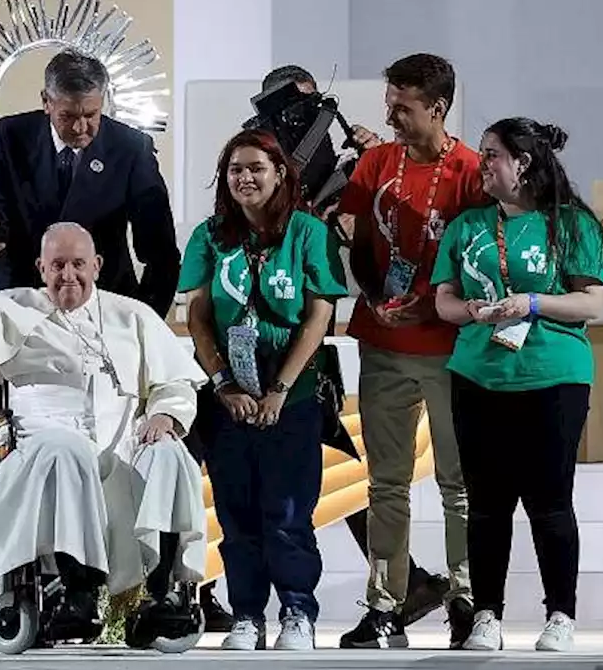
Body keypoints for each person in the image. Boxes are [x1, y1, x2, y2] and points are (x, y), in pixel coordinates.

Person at [234, 64, 450, 630]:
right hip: (255, 336)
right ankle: (409, 584)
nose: (311, 122)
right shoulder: (257, 161)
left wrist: (365, 173)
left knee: (328, 458)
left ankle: (411, 587)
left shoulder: (356, 166)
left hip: (308, 339)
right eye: (298, 110)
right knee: (271, 461)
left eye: (313, 108)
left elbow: (358, 243)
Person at [0, 221, 208, 645]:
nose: (69, 275)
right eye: (58, 265)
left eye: (79, 264)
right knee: (69, 450)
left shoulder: (131, 315)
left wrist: (165, 417)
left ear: (98, 265)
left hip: (121, 457)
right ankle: (76, 593)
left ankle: (160, 597)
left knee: (170, 453)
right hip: (43, 457)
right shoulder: (13, 307)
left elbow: (174, 384)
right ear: (41, 267)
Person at [432, 118, 603, 653]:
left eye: (491, 155)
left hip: (553, 376)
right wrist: (469, 310)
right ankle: (486, 614)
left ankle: (561, 615)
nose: (481, 164)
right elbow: (443, 299)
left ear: (523, 163)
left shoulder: (572, 224)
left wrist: (530, 303)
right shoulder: (468, 226)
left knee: (550, 501)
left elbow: (592, 301)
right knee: (486, 503)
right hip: (477, 375)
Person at [333, 53, 485, 649]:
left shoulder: (471, 170)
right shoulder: (375, 161)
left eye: (403, 105)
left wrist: (434, 302)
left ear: (438, 108)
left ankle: (468, 601)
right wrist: (342, 229)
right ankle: (385, 605)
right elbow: (349, 227)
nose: (391, 115)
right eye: (389, 102)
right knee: (386, 484)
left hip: (450, 347)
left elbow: (480, 258)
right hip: (383, 342)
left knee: (459, 482)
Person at [178, 129, 347, 651]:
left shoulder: (307, 233)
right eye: (235, 170)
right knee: (236, 512)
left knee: (289, 512)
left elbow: (320, 314)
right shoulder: (210, 236)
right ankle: (248, 613)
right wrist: (224, 383)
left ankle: (298, 611)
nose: (245, 178)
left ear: (280, 174)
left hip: (291, 398)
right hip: (229, 399)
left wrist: (279, 388)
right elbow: (199, 315)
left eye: (256, 168)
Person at [0, 48, 180, 316]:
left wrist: (144, 320)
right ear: (47, 101)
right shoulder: (10, 137)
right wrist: (0, 308)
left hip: (106, 304)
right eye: (68, 116)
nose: (81, 128)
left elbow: (160, 250)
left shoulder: (131, 148)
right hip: (25, 303)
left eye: (91, 115)